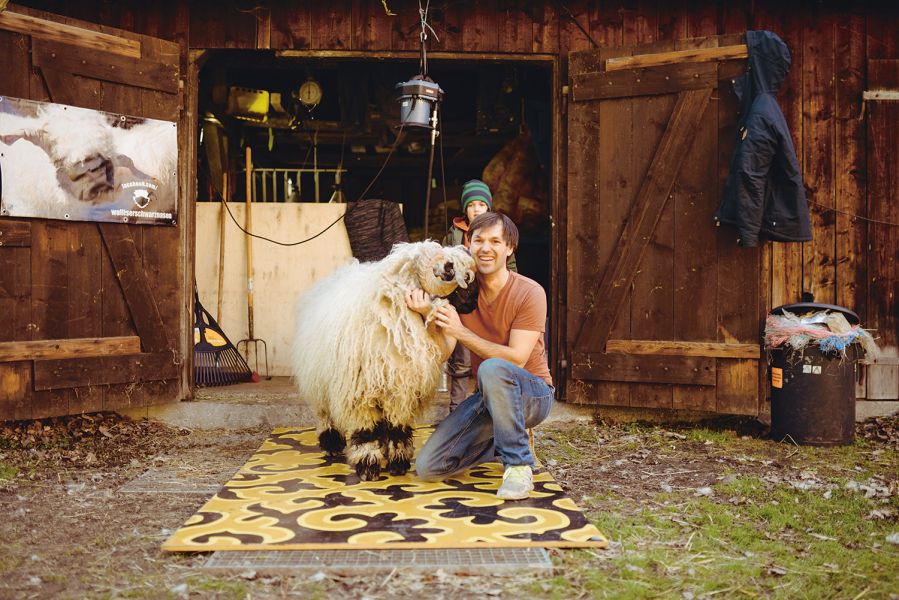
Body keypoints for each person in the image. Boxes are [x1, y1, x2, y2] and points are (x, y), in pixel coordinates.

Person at [406, 211, 554, 500]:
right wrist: (430, 314)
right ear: (468, 244)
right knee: (429, 467)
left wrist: (462, 333)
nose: (486, 248)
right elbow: (443, 354)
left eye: (495, 241)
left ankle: (518, 465)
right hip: (489, 396)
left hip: (533, 393)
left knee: (492, 369)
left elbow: (516, 359)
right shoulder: (461, 294)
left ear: (509, 248)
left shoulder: (529, 292)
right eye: (479, 240)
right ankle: (505, 438)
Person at [441, 179, 517, 412]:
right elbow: (443, 266)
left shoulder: (498, 233)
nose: (476, 209)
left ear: (489, 208)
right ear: (465, 208)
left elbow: (510, 267)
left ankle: (484, 405)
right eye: (472, 204)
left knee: (487, 354)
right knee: (461, 357)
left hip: (489, 302)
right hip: (462, 304)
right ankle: (457, 408)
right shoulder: (453, 235)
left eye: (481, 205)